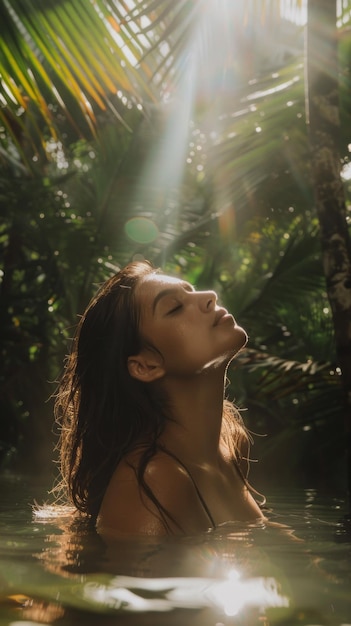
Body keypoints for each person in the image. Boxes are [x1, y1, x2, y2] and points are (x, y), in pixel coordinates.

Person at [54, 260, 264, 537]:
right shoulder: (151, 481)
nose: (209, 296)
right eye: (175, 307)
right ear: (146, 366)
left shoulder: (230, 444)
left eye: (192, 291)